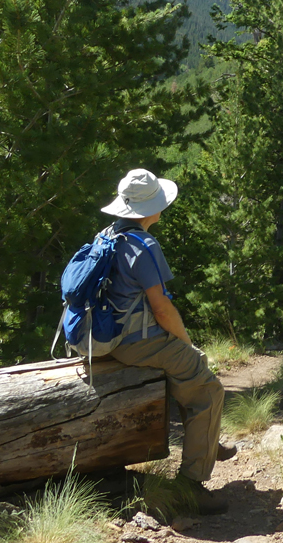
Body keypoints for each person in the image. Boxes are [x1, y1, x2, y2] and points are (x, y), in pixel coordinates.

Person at [97, 168, 234, 515]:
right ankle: (191, 485)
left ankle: (206, 440)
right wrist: (186, 342)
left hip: (103, 337)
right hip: (133, 341)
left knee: (192, 368)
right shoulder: (144, 246)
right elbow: (162, 310)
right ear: (149, 210)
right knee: (209, 389)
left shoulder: (108, 235)